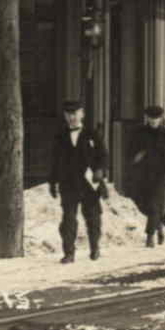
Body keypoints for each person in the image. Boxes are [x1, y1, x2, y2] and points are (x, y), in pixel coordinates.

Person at [48, 101, 106, 264]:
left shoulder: (92, 133)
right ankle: (69, 252)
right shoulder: (59, 136)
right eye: (68, 114)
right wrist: (52, 182)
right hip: (68, 183)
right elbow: (54, 160)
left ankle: (94, 247)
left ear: (82, 114)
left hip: (89, 183)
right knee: (68, 219)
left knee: (93, 217)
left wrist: (100, 170)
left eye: (75, 113)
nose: (72, 117)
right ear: (65, 116)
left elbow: (102, 154)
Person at [128, 105, 165, 247]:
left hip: (160, 175)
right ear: (147, 118)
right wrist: (135, 158)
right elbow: (131, 151)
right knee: (145, 205)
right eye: (151, 118)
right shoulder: (140, 132)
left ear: (161, 119)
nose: (153, 121)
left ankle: (150, 236)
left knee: (154, 204)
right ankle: (159, 226)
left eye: (156, 118)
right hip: (143, 175)